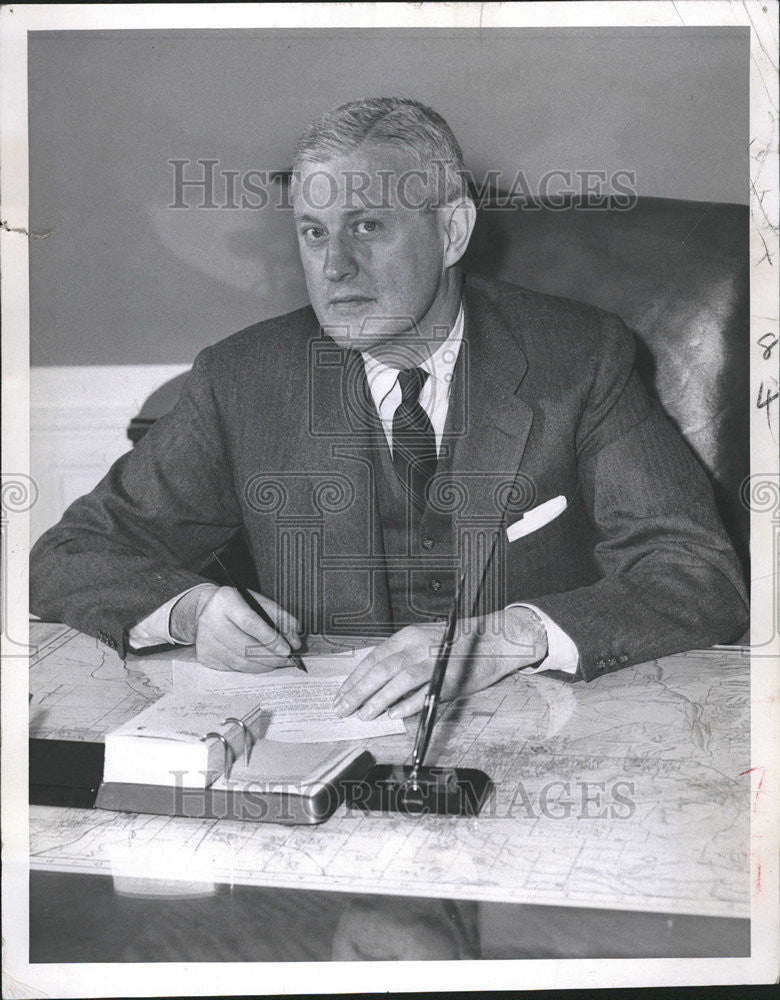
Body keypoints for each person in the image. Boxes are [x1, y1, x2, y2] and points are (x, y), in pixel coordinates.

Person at [30, 97, 748, 722]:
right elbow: (71, 557)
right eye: (313, 231)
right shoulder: (245, 380)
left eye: (367, 226)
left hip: (542, 732)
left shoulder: (578, 358)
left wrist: (507, 635)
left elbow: (695, 571)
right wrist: (188, 610)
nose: (333, 265)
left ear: (453, 231)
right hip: (333, 755)